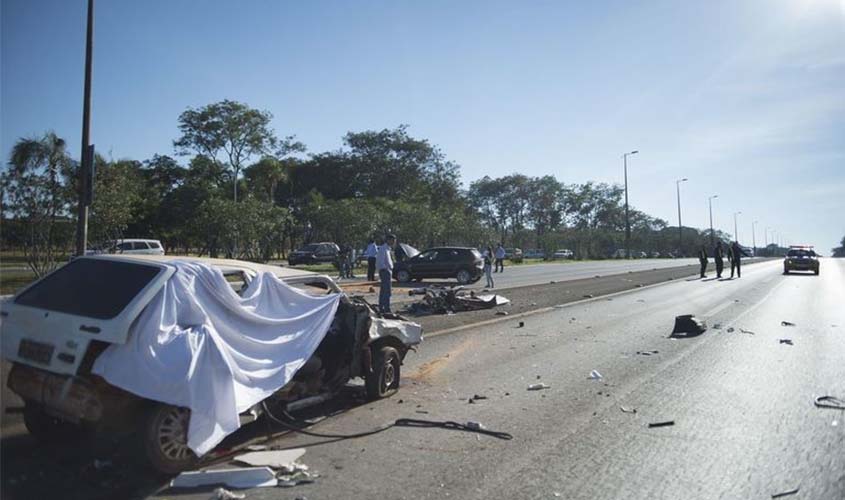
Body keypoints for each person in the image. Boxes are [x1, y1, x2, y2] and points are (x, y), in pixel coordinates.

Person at [376, 234, 396, 313]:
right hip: (385, 271)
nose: (394, 242)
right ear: (388, 240)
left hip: (388, 271)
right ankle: (386, 308)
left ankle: (382, 307)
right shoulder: (383, 249)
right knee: (387, 291)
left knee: (384, 290)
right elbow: (380, 261)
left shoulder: (388, 249)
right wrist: (385, 269)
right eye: (392, 240)